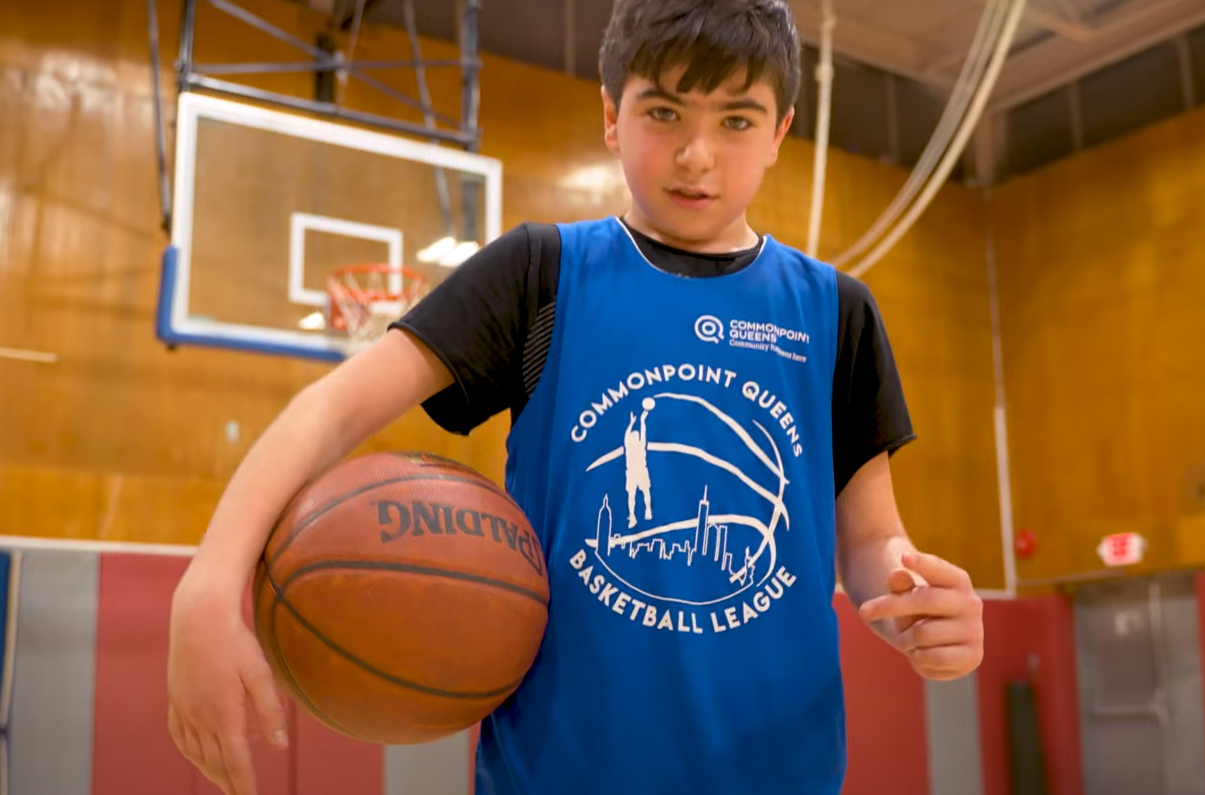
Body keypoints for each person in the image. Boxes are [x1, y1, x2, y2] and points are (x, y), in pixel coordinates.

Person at [166, 1, 985, 793]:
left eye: (736, 121)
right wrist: (210, 581)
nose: (697, 155)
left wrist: (916, 602)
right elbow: (333, 407)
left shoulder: (835, 312)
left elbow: (871, 541)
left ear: (778, 132)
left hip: (780, 768)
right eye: (663, 113)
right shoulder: (543, 274)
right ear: (610, 115)